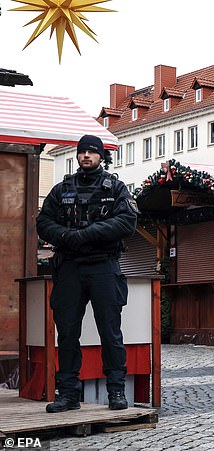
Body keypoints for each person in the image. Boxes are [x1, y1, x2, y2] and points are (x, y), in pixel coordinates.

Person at [36, 135, 138, 413]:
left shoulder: (116, 188)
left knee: (110, 332)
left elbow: (127, 221)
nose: (86, 156)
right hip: (69, 266)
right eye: (82, 152)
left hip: (103, 266)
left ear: (101, 157)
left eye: (92, 152)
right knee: (67, 332)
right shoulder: (61, 189)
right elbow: (43, 222)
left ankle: (116, 391)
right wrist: (67, 236)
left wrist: (87, 234)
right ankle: (68, 394)